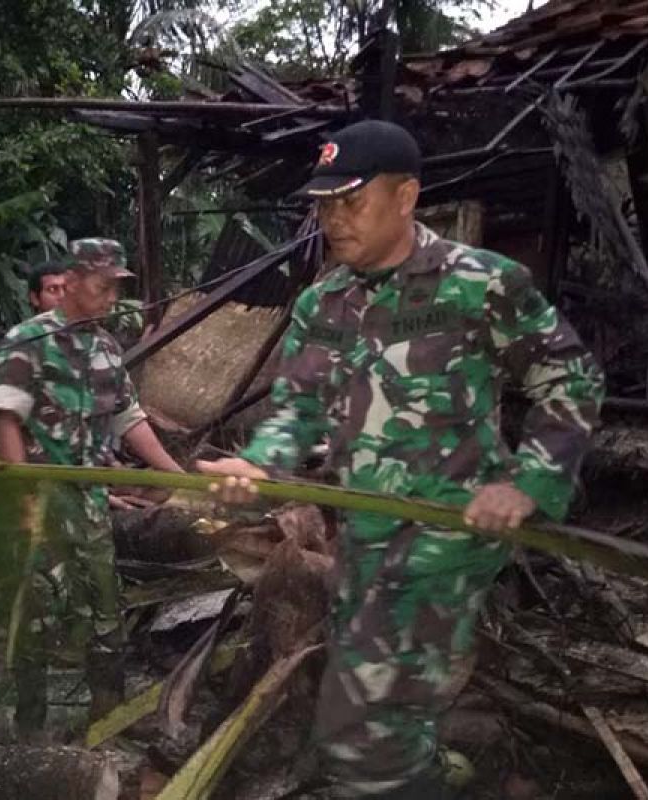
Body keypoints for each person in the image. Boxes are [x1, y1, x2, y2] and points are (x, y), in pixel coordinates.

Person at [198, 121, 604, 798]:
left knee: (363, 730)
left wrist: (527, 482)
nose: (332, 220)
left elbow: (571, 380)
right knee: (379, 713)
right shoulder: (324, 302)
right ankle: (430, 768)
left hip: (450, 535)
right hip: (366, 532)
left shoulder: (480, 283)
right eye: (325, 205)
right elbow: (297, 407)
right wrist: (260, 464)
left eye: (350, 201)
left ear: (407, 196)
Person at [0, 237, 183, 729]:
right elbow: (8, 420)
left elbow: (128, 419)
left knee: (105, 612)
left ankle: (108, 717)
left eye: (116, 288)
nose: (110, 298)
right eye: (102, 286)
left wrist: (175, 475)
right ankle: (29, 724)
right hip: (39, 503)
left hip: (92, 504)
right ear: (72, 282)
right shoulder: (27, 341)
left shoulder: (105, 348)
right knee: (34, 616)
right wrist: (22, 493)